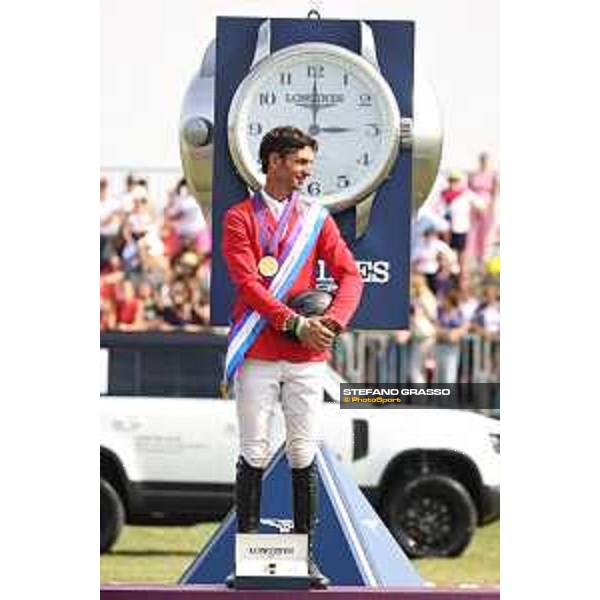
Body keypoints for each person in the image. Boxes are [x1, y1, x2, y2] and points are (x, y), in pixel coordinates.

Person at [222, 126, 363, 588]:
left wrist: (332, 324)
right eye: (300, 162)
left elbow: (350, 276)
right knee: (254, 451)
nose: (307, 172)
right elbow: (249, 286)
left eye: (308, 163)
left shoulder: (316, 219)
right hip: (261, 351)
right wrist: (295, 323)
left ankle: (306, 561)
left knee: (304, 451)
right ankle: (247, 558)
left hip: (305, 355)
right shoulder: (239, 218)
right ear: (276, 161)